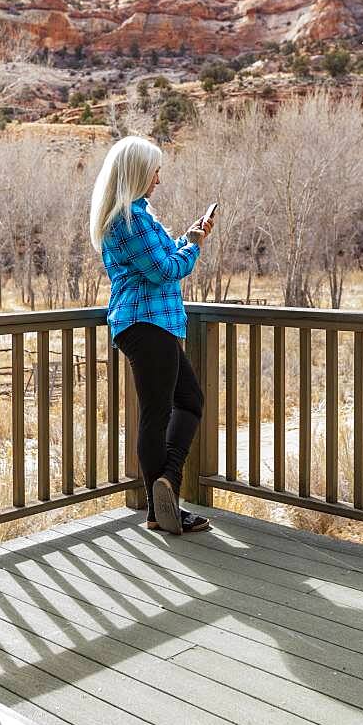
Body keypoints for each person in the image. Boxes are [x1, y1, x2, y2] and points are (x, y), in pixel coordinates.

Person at [90, 136, 215, 535]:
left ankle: (164, 496)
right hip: (148, 325)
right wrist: (193, 247)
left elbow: (157, 261)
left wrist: (188, 239)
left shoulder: (134, 216)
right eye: (155, 171)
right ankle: (163, 502)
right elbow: (166, 271)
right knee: (159, 414)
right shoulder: (131, 218)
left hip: (151, 325)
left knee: (188, 401)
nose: (159, 179)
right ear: (139, 172)